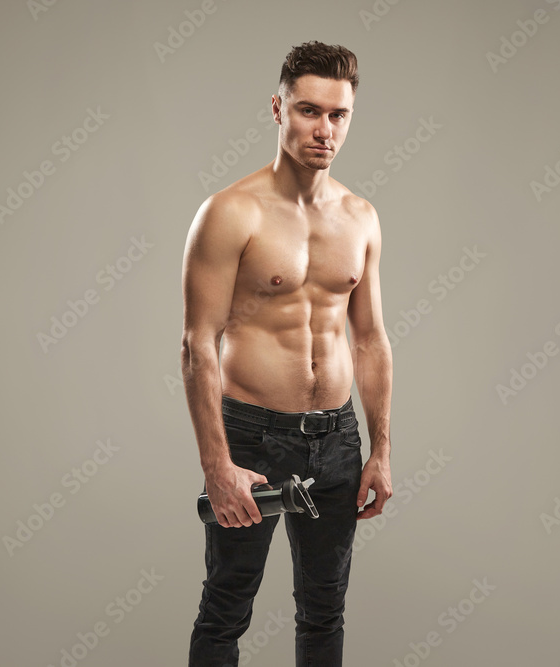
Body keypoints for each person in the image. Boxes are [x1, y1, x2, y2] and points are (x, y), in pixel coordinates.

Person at [181, 41, 393, 666]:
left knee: (325, 610)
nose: (324, 129)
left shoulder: (361, 217)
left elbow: (371, 340)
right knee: (226, 607)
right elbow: (197, 345)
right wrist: (218, 466)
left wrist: (380, 449)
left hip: (338, 438)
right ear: (278, 109)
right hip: (252, 436)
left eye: (338, 114)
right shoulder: (230, 212)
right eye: (309, 110)